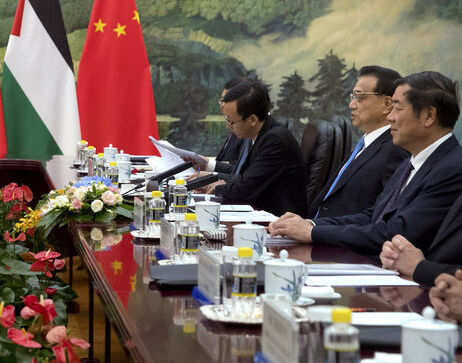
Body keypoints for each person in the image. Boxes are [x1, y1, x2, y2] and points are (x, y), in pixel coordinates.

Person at [270, 71, 462, 256]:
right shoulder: (411, 162)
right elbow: (372, 216)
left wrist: (313, 233)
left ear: (428, 116)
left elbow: (397, 233)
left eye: (398, 108)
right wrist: (310, 225)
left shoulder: (452, 168)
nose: (390, 117)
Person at [193, 79, 307, 216]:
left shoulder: (274, 139)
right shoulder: (258, 134)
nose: (228, 126)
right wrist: (213, 178)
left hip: (280, 221)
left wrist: (217, 187)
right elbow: (245, 177)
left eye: (231, 121)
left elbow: (245, 188)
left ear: (252, 119)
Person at [308, 66, 409, 217]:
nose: (351, 105)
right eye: (352, 97)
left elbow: (380, 216)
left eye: (359, 97)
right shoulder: (365, 144)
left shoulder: (396, 149)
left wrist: (313, 228)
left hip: (337, 237)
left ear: (387, 104)